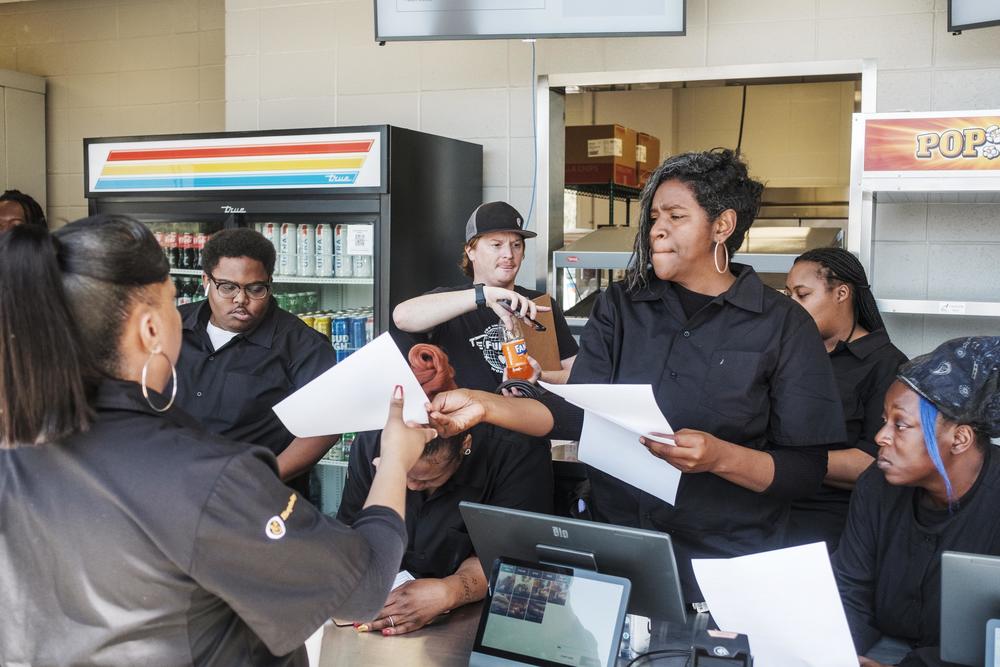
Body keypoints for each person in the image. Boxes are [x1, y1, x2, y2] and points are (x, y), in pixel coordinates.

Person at [0, 217, 437, 665]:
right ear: (151, 329)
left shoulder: (18, 446)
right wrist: (394, 462)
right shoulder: (209, 479)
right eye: (175, 303)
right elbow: (362, 588)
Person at [425, 149, 847, 602]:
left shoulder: (782, 325)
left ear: (722, 226)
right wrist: (485, 404)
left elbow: (804, 472)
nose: (657, 229)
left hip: (726, 565)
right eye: (654, 217)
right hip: (617, 551)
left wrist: (719, 458)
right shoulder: (621, 305)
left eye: (676, 216)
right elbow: (573, 414)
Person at [337, 343, 553, 636]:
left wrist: (450, 591)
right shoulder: (371, 440)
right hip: (385, 599)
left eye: (425, 480)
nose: (410, 486)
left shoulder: (515, 451)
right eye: (401, 474)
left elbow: (512, 559)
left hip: (484, 616)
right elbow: (353, 532)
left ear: (465, 444)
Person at [834, 336, 1000, 667]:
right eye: (884, 421)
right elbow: (850, 588)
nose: (880, 437)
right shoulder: (876, 485)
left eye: (901, 424)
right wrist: (840, 653)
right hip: (877, 647)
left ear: (959, 438)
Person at [174, 228, 337, 496]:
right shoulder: (172, 326)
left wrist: (265, 478)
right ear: (206, 280)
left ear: (269, 283)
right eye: (227, 287)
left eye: (255, 288)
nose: (241, 299)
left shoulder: (303, 346)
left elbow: (325, 427)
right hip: (173, 489)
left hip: (256, 501)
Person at [785, 248, 908, 551]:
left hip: (832, 528)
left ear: (841, 293)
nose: (791, 306)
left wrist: (775, 463)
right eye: (787, 296)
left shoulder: (888, 365)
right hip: (768, 515)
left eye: (802, 295)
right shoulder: (789, 354)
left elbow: (873, 462)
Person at [392, 201, 578, 391]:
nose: (508, 254)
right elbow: (402, 317)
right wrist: (484, 295)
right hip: (466, 418)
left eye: (516, 245)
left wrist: (540, 376)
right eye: (496, 245)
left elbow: (578, 374)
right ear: (470, 251)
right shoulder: (450, 303)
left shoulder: (538, 304)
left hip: (534, 417)